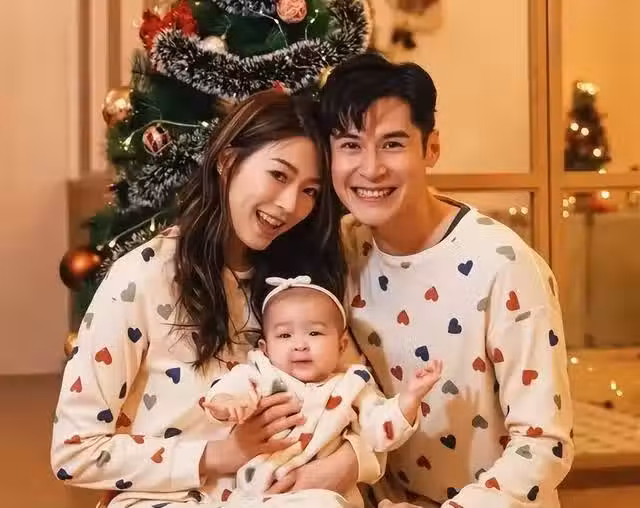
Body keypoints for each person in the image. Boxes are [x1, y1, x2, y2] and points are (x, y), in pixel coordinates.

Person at [51, 89, 379, 508]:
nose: (289, 204)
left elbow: (364, 403)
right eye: (279, 175)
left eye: (310, 191)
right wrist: (218, 455)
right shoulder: (142, 277)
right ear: (227, 161)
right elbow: (73, 452)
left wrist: (344, 465)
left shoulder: (301, 286)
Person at [318, 53, 574, 508]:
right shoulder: (341, 250)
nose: (371, 168)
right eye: (351, 145)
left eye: (392, 144)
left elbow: (543, 444)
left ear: (431, 148)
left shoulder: (505, 266)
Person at [203, 275, 444, 504]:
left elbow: (380, 431)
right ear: (265, 348)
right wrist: (227, 402)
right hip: (256, 497)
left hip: (322, 498)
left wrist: (410, 398)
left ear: (341, 345)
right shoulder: (262, 373)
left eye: (314, 333)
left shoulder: (353, 384)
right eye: (285, 335)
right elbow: (232, 388)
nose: (300, 345)